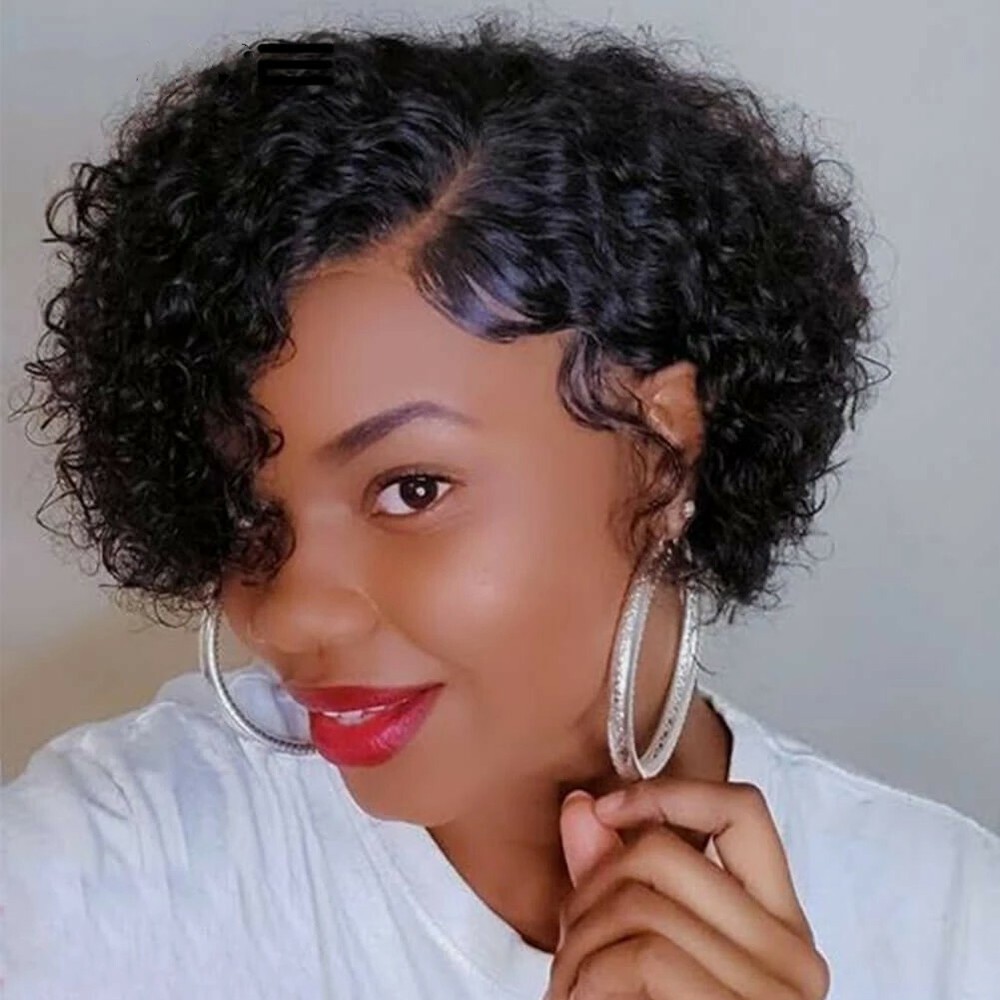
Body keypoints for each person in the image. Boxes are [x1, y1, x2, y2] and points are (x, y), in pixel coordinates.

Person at [3, 16, 997, 1000]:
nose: (290, 613)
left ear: (660, 449)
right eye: (245, 507)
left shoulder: (949, 925)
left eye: (411, 488)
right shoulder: (104, 868)